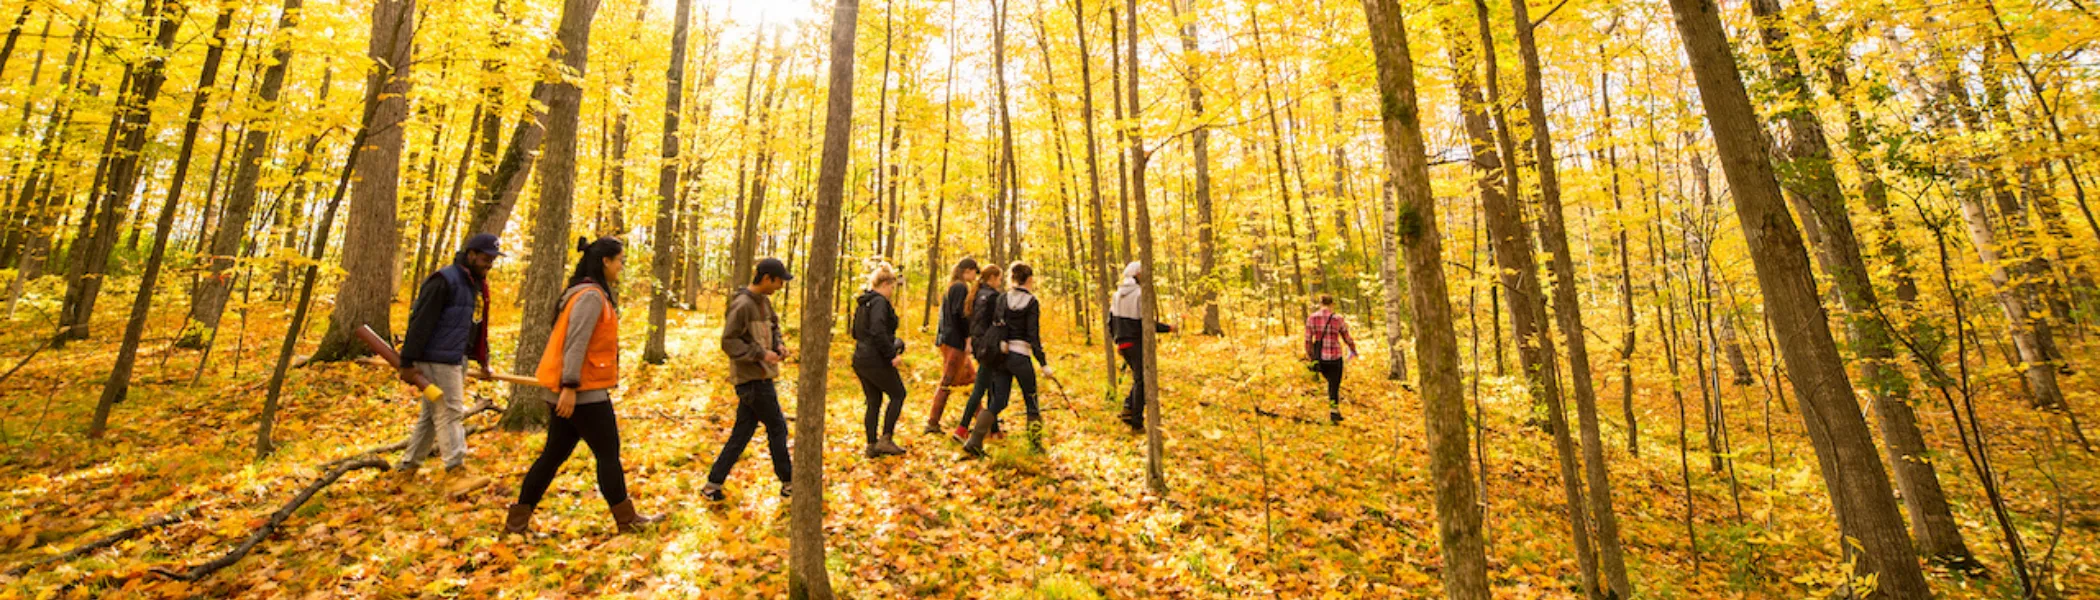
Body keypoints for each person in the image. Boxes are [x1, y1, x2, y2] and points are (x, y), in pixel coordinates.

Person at [508, 237, 664, 535]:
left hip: (575, 390)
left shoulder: (581, 292)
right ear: (605, 260)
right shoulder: (591, 296)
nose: (622, 266)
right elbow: (575, 343)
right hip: (583, 394)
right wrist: (569, 387)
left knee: (553, 455)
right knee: (607, 454)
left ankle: (517, 521)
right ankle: (627, 519)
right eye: (620, 260)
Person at [395, 233, 502, 474]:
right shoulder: (444, 280)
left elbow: (475, 325)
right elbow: (420, 321)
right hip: (437, 359)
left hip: (456, 358)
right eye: (486, 258)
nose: (490, 264)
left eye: (493, 260)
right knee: (451, 410)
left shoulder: (475, 285)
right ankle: (456, 469)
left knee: (431, 415)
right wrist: (407, 361)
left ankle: (408, 467)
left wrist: (483, 360)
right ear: (471, 255)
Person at [704, 257, 796, 501]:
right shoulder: (742, 304)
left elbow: (774, 328)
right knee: (778, 427)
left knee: (742, 432)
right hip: (751, 380)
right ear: (766, 278)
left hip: (763, 377)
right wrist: (760, 354)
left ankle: (712, 484)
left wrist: (779, 346)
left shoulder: (764, 303)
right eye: (779, 281)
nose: (780, 287)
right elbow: (729, 341)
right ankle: (789, 483)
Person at [964, 262, 1051, 456]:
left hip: (1001, 357)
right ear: (1029, 279)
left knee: (998, 401)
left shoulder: (1003, 298)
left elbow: (997, 324)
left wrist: (1003, 342)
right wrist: (1043, 363)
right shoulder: (1031, 302)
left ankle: (975, 440)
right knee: (1031, 399)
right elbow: (1033, 335)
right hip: (1021, 357)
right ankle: (1036, 446)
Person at [852, 262, 909, 458]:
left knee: (874, 400)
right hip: (875, 359)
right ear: (885, 284)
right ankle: (885, 439)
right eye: (892, 287)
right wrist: (891, 354)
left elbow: (856, 332)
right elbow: (877, 331)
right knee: (898, 394)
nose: (892, 291)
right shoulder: (878, 302)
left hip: (860, 357)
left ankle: (871, 444)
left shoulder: (863, 302)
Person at [1109, 261, 1173, 433]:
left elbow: (1110, 321)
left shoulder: (1117, 294)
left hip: (1123, 343)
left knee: (1139, 379)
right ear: (1137, 274)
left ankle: (1128, 408)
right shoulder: (1139, 294)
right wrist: (1168, 328)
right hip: (1135, 343)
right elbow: (1146, 323)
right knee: (1143, 381)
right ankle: (1136, 421)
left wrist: (1117, 341)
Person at [925, 258, 980, 434]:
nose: (975, 276)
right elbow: (961, 315)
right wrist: (967, 338)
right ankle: (932, 423)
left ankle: (984, 421)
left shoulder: (953, 286)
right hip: (955, 342)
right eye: (974, 272)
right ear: (968, 270)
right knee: (947, 382)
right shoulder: (960, 287)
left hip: (950, 339)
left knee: (972, 378)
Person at [952, 264, 1005, 442]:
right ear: (991, 278)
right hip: (990, 348)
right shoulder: (993, 297)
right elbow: (998, 322)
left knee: (990, 386)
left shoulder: (976, 295)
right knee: (982, 388)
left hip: (979, 345)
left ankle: (994, 429)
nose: (1000, 282)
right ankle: (962, 428)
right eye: (998, 278)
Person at [1304, 294, 1359, 425]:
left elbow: (1307, 340)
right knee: (1334, 385)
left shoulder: (1312, 318)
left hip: (1320, 358)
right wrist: (1353, 349)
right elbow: (1347, 337)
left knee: (1330, 382)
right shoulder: (1337, 319)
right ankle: (1334, 412)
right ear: (1332, 304)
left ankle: (1335, 412)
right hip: (1335, 357)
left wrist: (1311, 356)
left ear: (1320, 303)